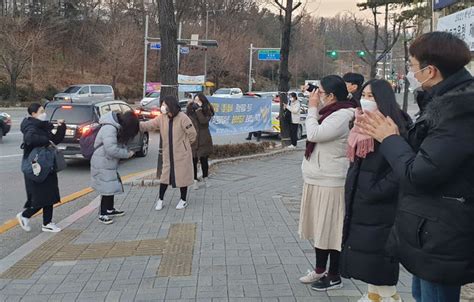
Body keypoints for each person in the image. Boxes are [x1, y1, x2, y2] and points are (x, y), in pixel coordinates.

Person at [356, 32, 474, 302]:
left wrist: (389, 139)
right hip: (428, 228)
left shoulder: (459, 111)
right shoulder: (444, 102)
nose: (410, 72)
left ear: (430, 70)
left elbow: (418, 173)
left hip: (442, 232)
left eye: (411, 66)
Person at [341, 79, 411, 302]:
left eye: (372, 96)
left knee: (381, 258)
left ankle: (387, 297)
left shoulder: (395, 124)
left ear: (384, 98)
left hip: (383, 206)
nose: (366, 99)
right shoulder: (360, 123)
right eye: (364, 94)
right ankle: (374, 295)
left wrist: (375, 189)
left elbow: (402, 166)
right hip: (361, 202)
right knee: (369, 258)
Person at [298, 75, 357, 291]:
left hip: (331, 181)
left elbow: (314, 134)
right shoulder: (330, 112)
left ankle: (334, 275)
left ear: (331, 96)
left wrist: (312, 109)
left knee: (331, 230)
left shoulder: (341, 115)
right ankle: (320, 269)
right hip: (317, 178)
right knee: (319, 228)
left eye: (320, 92)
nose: (316, 96)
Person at [140, 96, 197, 210]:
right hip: (167, 154)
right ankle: (160, 200)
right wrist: (136, 124)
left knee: (182, 177)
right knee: (164, 178)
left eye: (165, 105)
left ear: (171, 106)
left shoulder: (183, 118)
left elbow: (192, 134)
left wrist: (184, 146)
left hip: (181, 155)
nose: (163, 107)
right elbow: (149, 124)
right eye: (163, 105)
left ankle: (183, 200)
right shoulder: (162, 118)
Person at [16, 103, 66, 233]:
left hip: (47, 165)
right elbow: (30, 139)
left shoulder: (43, 126)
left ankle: (47, 223)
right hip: (36, 167)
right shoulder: (30, 126)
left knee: (50, 195)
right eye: (41, 111)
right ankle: (24, 215)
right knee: (40, 198)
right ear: (33, 114)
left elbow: (54, 140)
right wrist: (45, 140)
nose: (44, 113)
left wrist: (61, 127)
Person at [91, 111, 138, 225]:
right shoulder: (110, 128)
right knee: (106, 187)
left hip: (107, 161)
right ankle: (102, 214)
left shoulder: (115, 127)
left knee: (110, 185)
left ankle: (110, 209)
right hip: (101, 161)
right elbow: (111, 149)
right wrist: (127, 154)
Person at [186, 93, 214, 190]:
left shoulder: (207, 110)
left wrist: (198, 110)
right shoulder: (190, 110)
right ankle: (194, 180)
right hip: (193, 139)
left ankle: (205, 177)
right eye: (195, 100)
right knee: (193, 161)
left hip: (204, 139)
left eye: (199, 101)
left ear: (203, 101)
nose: (196, 102)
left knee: (204, 160)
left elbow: (203, 121)